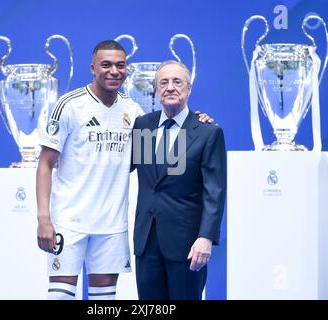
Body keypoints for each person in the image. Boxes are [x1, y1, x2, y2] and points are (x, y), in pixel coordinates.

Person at [37, 40, 211, 300]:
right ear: (92, 67)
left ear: (126, 69)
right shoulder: (70, 105)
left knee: (104, 301)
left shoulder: (134, 112)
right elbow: (45, 164)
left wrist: (196, 124)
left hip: (112, 224)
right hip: (69, 221)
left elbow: (162, 153)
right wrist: (43, 219)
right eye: (105, 65)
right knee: (60, 297)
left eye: (120, 65)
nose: (113, 71)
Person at [131, 60, 226, 300]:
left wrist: (205, 238)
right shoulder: (143, 126)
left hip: (187, 246)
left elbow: (214, 192)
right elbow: (122, 165)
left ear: (189, 88)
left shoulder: (207, 132)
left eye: (177, 81)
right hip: (146, 243)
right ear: (155, 88)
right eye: (164, 82)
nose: (170, 87)